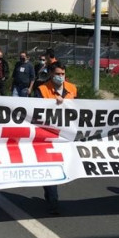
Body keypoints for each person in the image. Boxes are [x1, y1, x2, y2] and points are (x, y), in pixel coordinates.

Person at [34, 61, 77, 215]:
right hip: (48, 134)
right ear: (51, 74)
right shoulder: (42, 89)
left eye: (62, 74)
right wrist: (53, 104)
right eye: (57, 74)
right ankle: (53, 201)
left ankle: (51, 197)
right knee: (51, 167)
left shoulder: (72, 88)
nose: (60, 77)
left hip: (67, 134)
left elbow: (82, 108)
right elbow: (36, 112)